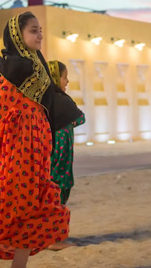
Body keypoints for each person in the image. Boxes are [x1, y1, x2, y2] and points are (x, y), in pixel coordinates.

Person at [0, 12, 82, 267]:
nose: (40, 34)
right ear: (17, 36)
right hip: (18, 143)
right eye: (33, 30)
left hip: (36, 145)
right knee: (21, 205)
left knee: (31, 204)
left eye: (40, 29)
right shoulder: (17, 67)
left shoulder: (35, 63)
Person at [47, 60, 85, 205]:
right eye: (64, 77)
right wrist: (70, 123)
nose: (67, 81)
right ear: (55, 77)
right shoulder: (62, 101)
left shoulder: (45, 101)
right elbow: (80, 118)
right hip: (60, 172)